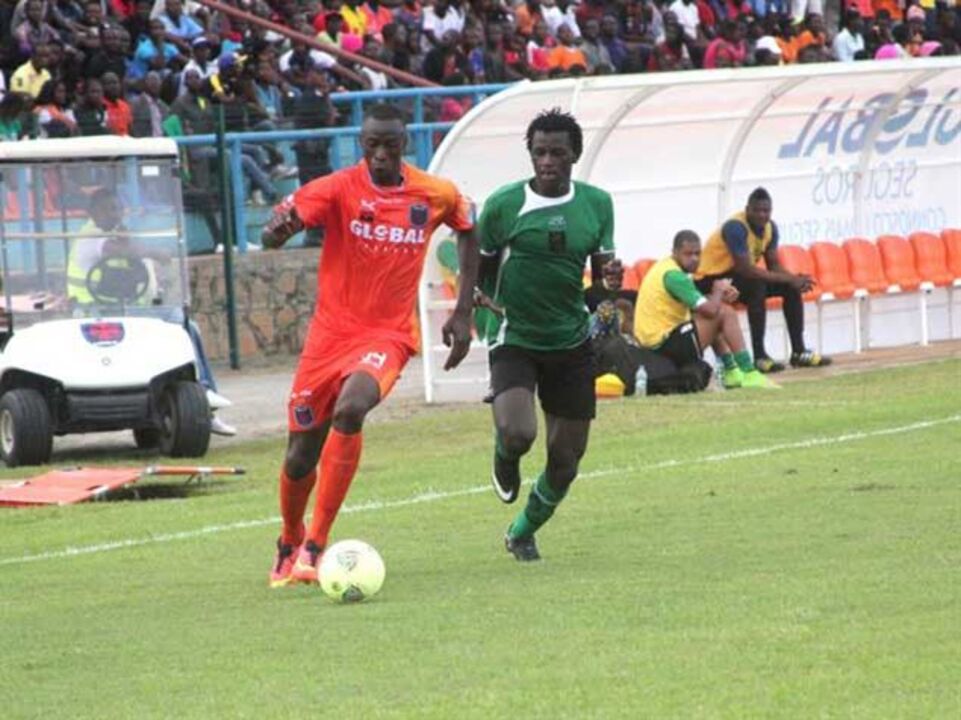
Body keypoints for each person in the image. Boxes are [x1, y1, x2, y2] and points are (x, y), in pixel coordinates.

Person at [259, 103, 478, 587]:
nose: (380, 155)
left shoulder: (434, 193)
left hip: (388, 334)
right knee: (299, 455)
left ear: (406, 145)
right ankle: (289, 539)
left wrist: (463, 311)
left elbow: (468, 227)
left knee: (351, 409)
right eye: (371, 145)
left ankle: (316, 546)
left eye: (390, 145)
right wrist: (278, 230)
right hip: (329, 336)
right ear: (362, 144)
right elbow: (283, 223)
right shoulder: (338, 188)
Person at [474, 109, 623, 562]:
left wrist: (609, 293)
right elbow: (479, 272)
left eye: (558, 152)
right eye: (540, 152)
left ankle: (521, 532)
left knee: (565, 461)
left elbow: (598, 284)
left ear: (574, 154)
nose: (548, 160)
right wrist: (478, 317)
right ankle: (505, 453)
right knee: (519, 433)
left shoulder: (597, 204)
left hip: (572, 341)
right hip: (516, 335)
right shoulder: (504, 204)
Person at [66, 188, 236, 435]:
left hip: (121, 309)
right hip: (94, 312)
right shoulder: (91, 237)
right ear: (93, 212)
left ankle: (203, 396)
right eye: (109, 209)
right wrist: (157, 253)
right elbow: (122, 251)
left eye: (118, 208)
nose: (115, 214)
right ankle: (203, 394)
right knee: (180, 321)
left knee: (187, 323)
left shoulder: (114, 234)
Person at [694, 187, 831, 372]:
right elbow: (746, 269)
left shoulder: (770, 228)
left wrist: (792, 280)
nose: (761, 215)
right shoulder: (735, 227)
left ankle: (799, 352)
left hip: (734, 277)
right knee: (756, 285)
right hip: (707, 279)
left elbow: (773, 264)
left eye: (766, 211)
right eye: (756, 210)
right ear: (747, 209)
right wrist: (789, 279)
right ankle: (760, 356)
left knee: (789, 288)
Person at [636, 230, 777, 389]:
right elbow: (710, 311)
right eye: (688, 254)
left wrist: (719, 296)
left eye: (697, 253)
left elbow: (703, 307)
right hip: (662, 346)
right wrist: (718, 291)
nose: (694, 259)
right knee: (725, 313)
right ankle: (749, 372)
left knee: (716, 311)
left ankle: (731, 371)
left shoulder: (666, 267)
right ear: (674, 252)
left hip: (659, 342)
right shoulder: (674, 276)